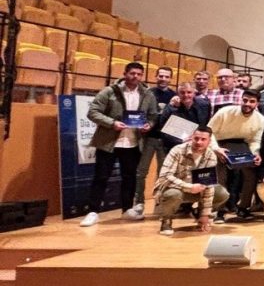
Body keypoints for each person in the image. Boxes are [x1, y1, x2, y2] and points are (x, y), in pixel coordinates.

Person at [81, 62, 159, 227]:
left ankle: (126, 210)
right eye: (132, 73)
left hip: (133, 144)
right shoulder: (109, 91)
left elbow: (153, 115)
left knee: (129, 178)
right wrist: (112, 123)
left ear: (142, 76)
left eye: (138, 74)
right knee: (101, 177)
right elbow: (92, 112)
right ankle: (93, 212)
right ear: (125, 73)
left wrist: (149, 125)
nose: (135, 77)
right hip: (109, 142)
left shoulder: (148, 94)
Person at [153, 125, 229, 236]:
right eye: (196, 138)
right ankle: (166, 221)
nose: (199, 142)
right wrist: (189, 187)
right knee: (173, 194)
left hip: (197, 189)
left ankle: (199, 214)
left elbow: (208, 184)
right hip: (174, 189)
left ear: (209, 141)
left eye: (203, 139)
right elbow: (165, 177)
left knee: (222, 193)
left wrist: (205, 214)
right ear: (191, 137)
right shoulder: (177, 150)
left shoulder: (211, 155)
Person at [208, 89, 264, 222]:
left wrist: (255, 154)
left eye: (252, 101)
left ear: (257, 104)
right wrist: (216, 149)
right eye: (245, 100)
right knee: (220, 176)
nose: (247, 104)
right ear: (241, 100)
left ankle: (243, 207)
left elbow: (255, 141)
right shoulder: (225, 112)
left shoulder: (260, 119)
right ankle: (220, 210)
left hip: (241, 145)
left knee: (251, 174)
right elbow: (209, 132)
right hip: (220, 145)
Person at [134, 66, 178, 206]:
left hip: (166, 140)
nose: (163, 79)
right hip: (149, 138)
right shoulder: (148, 93)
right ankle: (139, 201)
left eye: (166, 76)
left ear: (171, 78)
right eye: (161, 76)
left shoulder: (175, 95)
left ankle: (159, 200)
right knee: (141, 171)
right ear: (156, 76)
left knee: (163, 173)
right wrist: (141, 125)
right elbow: (140, 112)